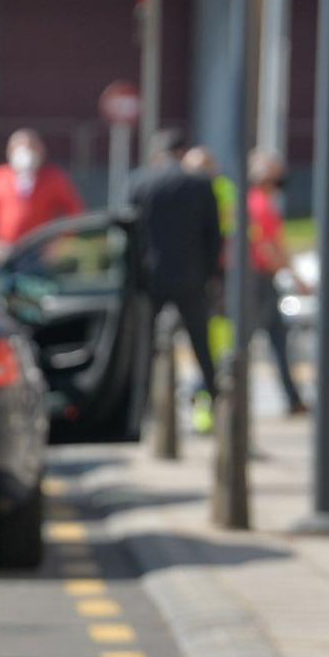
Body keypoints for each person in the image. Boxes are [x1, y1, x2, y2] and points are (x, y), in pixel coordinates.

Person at [132, 130, 223, 432]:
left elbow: (126, 235)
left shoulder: (140, 183)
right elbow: (214, 236)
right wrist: (209, 274)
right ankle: (219, 406)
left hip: (150, 279)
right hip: (192, 278)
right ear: (183, 152)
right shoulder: (199, 184)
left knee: (144, 347)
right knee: (201, 346)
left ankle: (140, 409)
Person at [246, 148, 308, 415]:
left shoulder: (255, 202)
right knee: (249, 340)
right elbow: (269, 249)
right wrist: (295, 277)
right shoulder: (260, 205)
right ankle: (206, 389)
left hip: (259, 280)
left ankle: (293, 399)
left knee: (276, 340)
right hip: (259, 280)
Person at [0, 129, 83, 267]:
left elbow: (75, 211)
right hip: (5, 253)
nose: (25, 151)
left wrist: (61, 243)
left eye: (30, 147)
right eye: (18, 146)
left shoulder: (54, 178)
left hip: (39, 253)